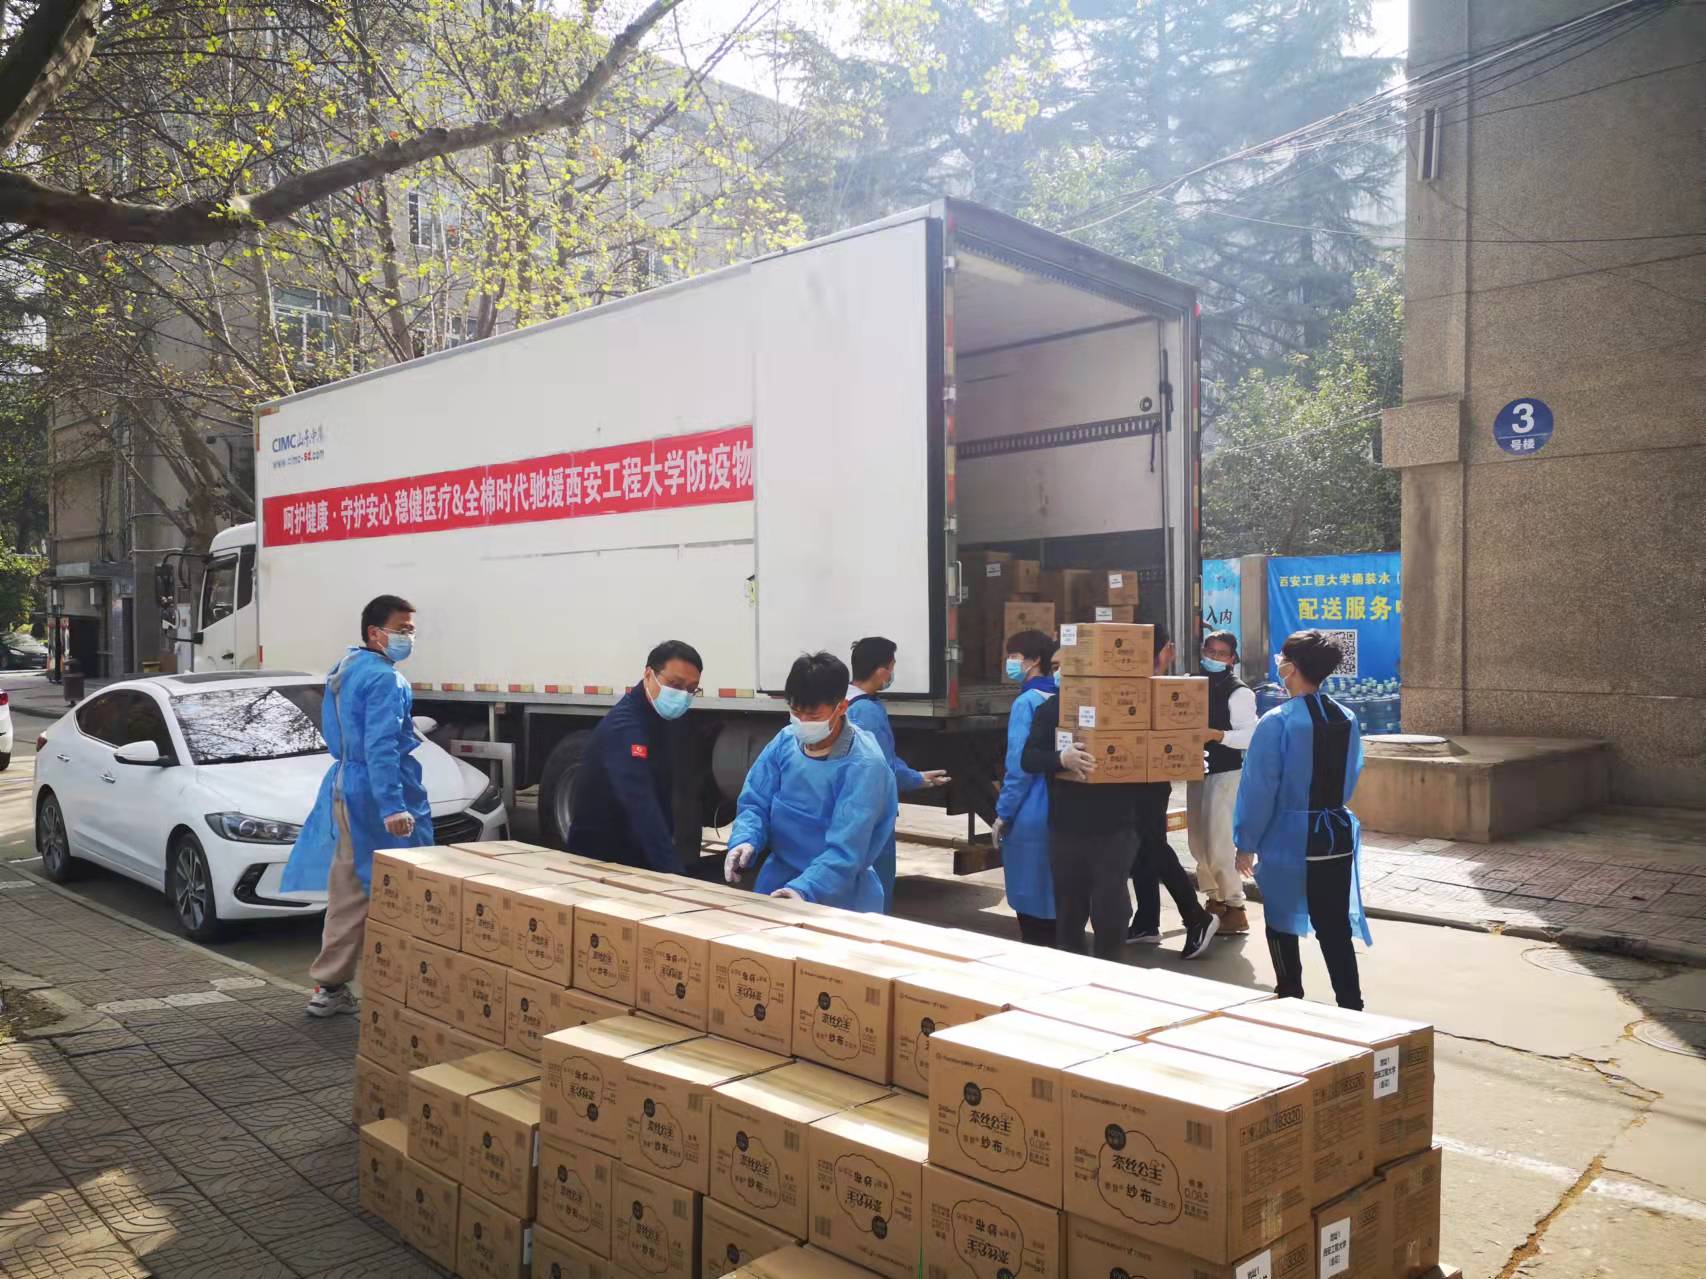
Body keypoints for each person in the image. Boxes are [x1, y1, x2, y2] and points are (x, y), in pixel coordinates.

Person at [283, 595, 433, 1017]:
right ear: (374, 632)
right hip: (374, 793)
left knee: (348, 887)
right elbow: (381, 745)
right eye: (402, 629)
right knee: (403, 886)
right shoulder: (386, 679)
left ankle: (329, 986)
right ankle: (410, 985)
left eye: (411, 630)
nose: (409, 637)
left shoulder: (347, 667)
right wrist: (393, 806)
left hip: (346, 785)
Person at [1234, 630, 1370, 1009]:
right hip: (1336, 833)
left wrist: (1245, 842)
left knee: (1279, 919)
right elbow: (1351, 774)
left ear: (1290, 668)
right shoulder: (1346, 716)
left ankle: (1289, 995)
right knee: (1334, 926)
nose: (1278, 663)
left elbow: (1259, 789)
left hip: (1289, 836)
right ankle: (1352, 1006)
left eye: (1282, 659)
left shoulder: (1277, 722)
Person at [722, 651, 896, 910]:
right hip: (778, 880)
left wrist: (805, 888)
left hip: (840, 895)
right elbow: (755, 801)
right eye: (796, 712)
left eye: (813, 716)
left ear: (841, 707)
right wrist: (745, 839)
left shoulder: (864, 765)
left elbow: (848, 849)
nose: (802, 722)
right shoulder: (785, 742)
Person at [567, 640, 703, 872]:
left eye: (691, 689)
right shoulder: (625, 727)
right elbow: (640, 804)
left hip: (634, 855)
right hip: (599, 860)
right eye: (675, 685)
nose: (683, 695)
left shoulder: (665, 719)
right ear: (649, 675)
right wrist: (673, 873)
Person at [1127, 624, 1219, 959]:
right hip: (1134, 777)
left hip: (1150, 782)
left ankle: (1197, 917)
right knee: (1142, 847)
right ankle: (1147, 921)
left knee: (1152, 845)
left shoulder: (1163, 689)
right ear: (1165, 649)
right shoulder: (1137, 686)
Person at [845, 636, 950, 910]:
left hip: (855, 810)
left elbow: (884, 757)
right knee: (875, 888)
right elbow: (881, 765)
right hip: (872, 813)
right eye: (892, 666)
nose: (893, 673)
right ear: (881, 671)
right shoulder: (867, 710)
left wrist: (916, 776)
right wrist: (915, 779)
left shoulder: (848, 702)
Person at [1189, 629, 1259, 934]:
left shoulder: (1239, 692)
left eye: (1221, 654)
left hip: (1226, 772)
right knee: (1198, 842)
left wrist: (1218, 735)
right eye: (1210, 651)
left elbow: (1250, 735)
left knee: (1219, 843)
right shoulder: (1191, 683)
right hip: (1196, 770)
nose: (1214, 658)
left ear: (1232, 659)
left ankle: (1235, 906)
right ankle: (1214, 900)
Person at [991, 630, 1058, 946]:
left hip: (1031, 809)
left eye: (1015, 656)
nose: (1010, 662)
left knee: (1031, 897)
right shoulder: (1062, 696)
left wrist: (1003, 813)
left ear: (1035, 660)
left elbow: (1018, 767)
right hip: (1062, 803)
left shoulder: (1026, 702)